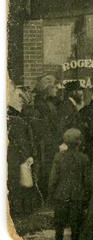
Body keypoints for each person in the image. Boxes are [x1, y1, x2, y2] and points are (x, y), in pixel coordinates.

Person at [48, 128, 91, 240]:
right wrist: (87, 194)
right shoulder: (84, 158)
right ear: (79, 142)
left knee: (59, 224)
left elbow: (53, 178)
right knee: (75, 224)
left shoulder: (58, 157)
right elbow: (87, 180)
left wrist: (51, 192)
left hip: (61, 194)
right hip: (77, 195)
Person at [7, 80, 37, 223]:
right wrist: (27, 156)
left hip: (13, 156)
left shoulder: (15, 117)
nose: (21, 101)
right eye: (19, 98)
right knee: (17, 184)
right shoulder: (18, 120)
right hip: (16, 157)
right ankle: (17, 211)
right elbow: (22, 141)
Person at [32, 74, 61, 196]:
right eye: (54, 87)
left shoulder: (49, 104)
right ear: (47, 88)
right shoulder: (41, 106)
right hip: (45, 147)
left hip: (50, 145)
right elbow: (43, 130)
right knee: (46, 173)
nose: (57, 89)